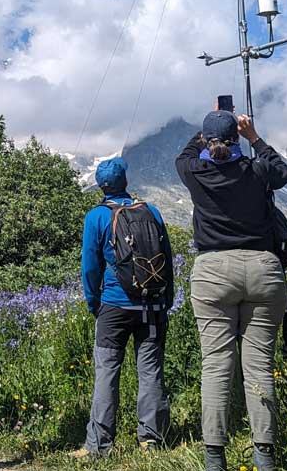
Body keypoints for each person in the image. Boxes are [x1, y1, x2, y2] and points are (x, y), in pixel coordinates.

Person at [176, 108, 287, 471]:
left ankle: (214, 459)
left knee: (216, 366)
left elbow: (184, 155)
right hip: (263, 269)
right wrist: (254, 137)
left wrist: (206, 128)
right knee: (259, 367)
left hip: (213, 272)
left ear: (207, 141)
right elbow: (283, 173)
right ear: (237, 138)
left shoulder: (195, 172)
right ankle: (265, 458)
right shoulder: (256, 170)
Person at [75, 158, 171, 457]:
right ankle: (151, 440)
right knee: (151, 371)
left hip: (114, 307)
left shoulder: (96, 217)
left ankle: (99, 446)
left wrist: (94, 303)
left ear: (101, 187)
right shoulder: (151, 210)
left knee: (106, 373)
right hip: (151, 305)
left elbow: (90, 267)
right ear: (125, 182)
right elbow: (166, 256)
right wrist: (165, 300)